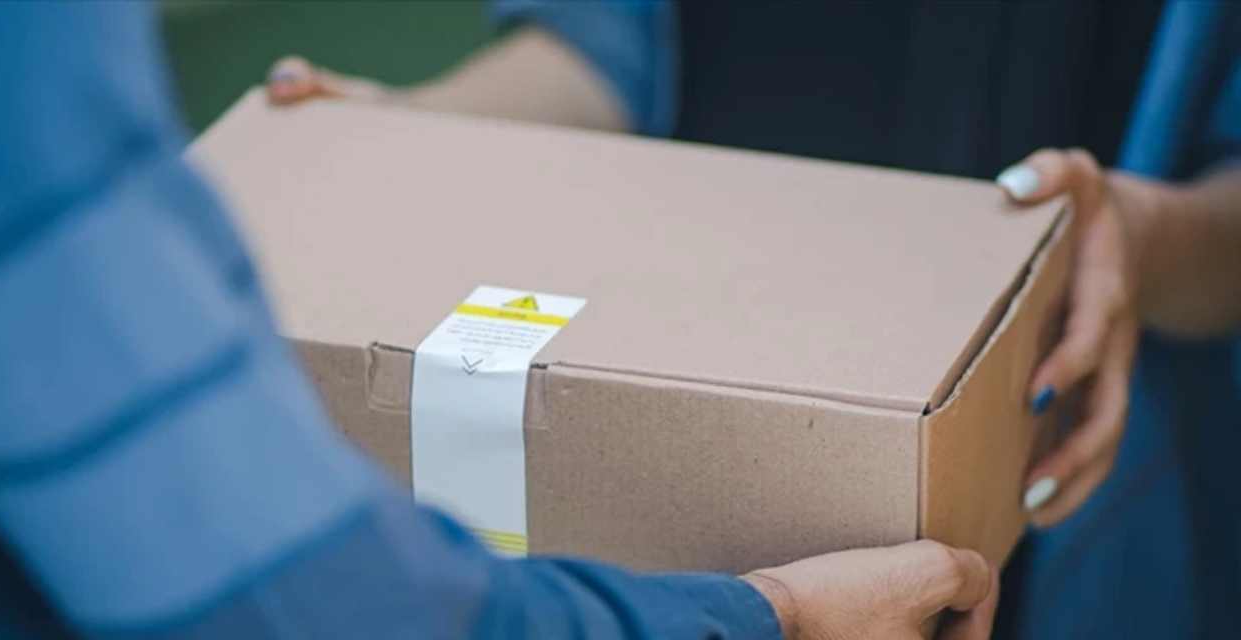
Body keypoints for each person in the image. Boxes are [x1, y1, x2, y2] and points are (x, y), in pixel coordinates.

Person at [0, 3, 1003, 639]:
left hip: (940, 297)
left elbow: (597, 46)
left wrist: (398, 134)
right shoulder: (16, 92)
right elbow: (327, 609)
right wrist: (778, 619)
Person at [265, 1, 1241, 636]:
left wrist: (1138, 237)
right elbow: (600, 45)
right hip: (672, 432)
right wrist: (406, 131)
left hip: (1077, 491)